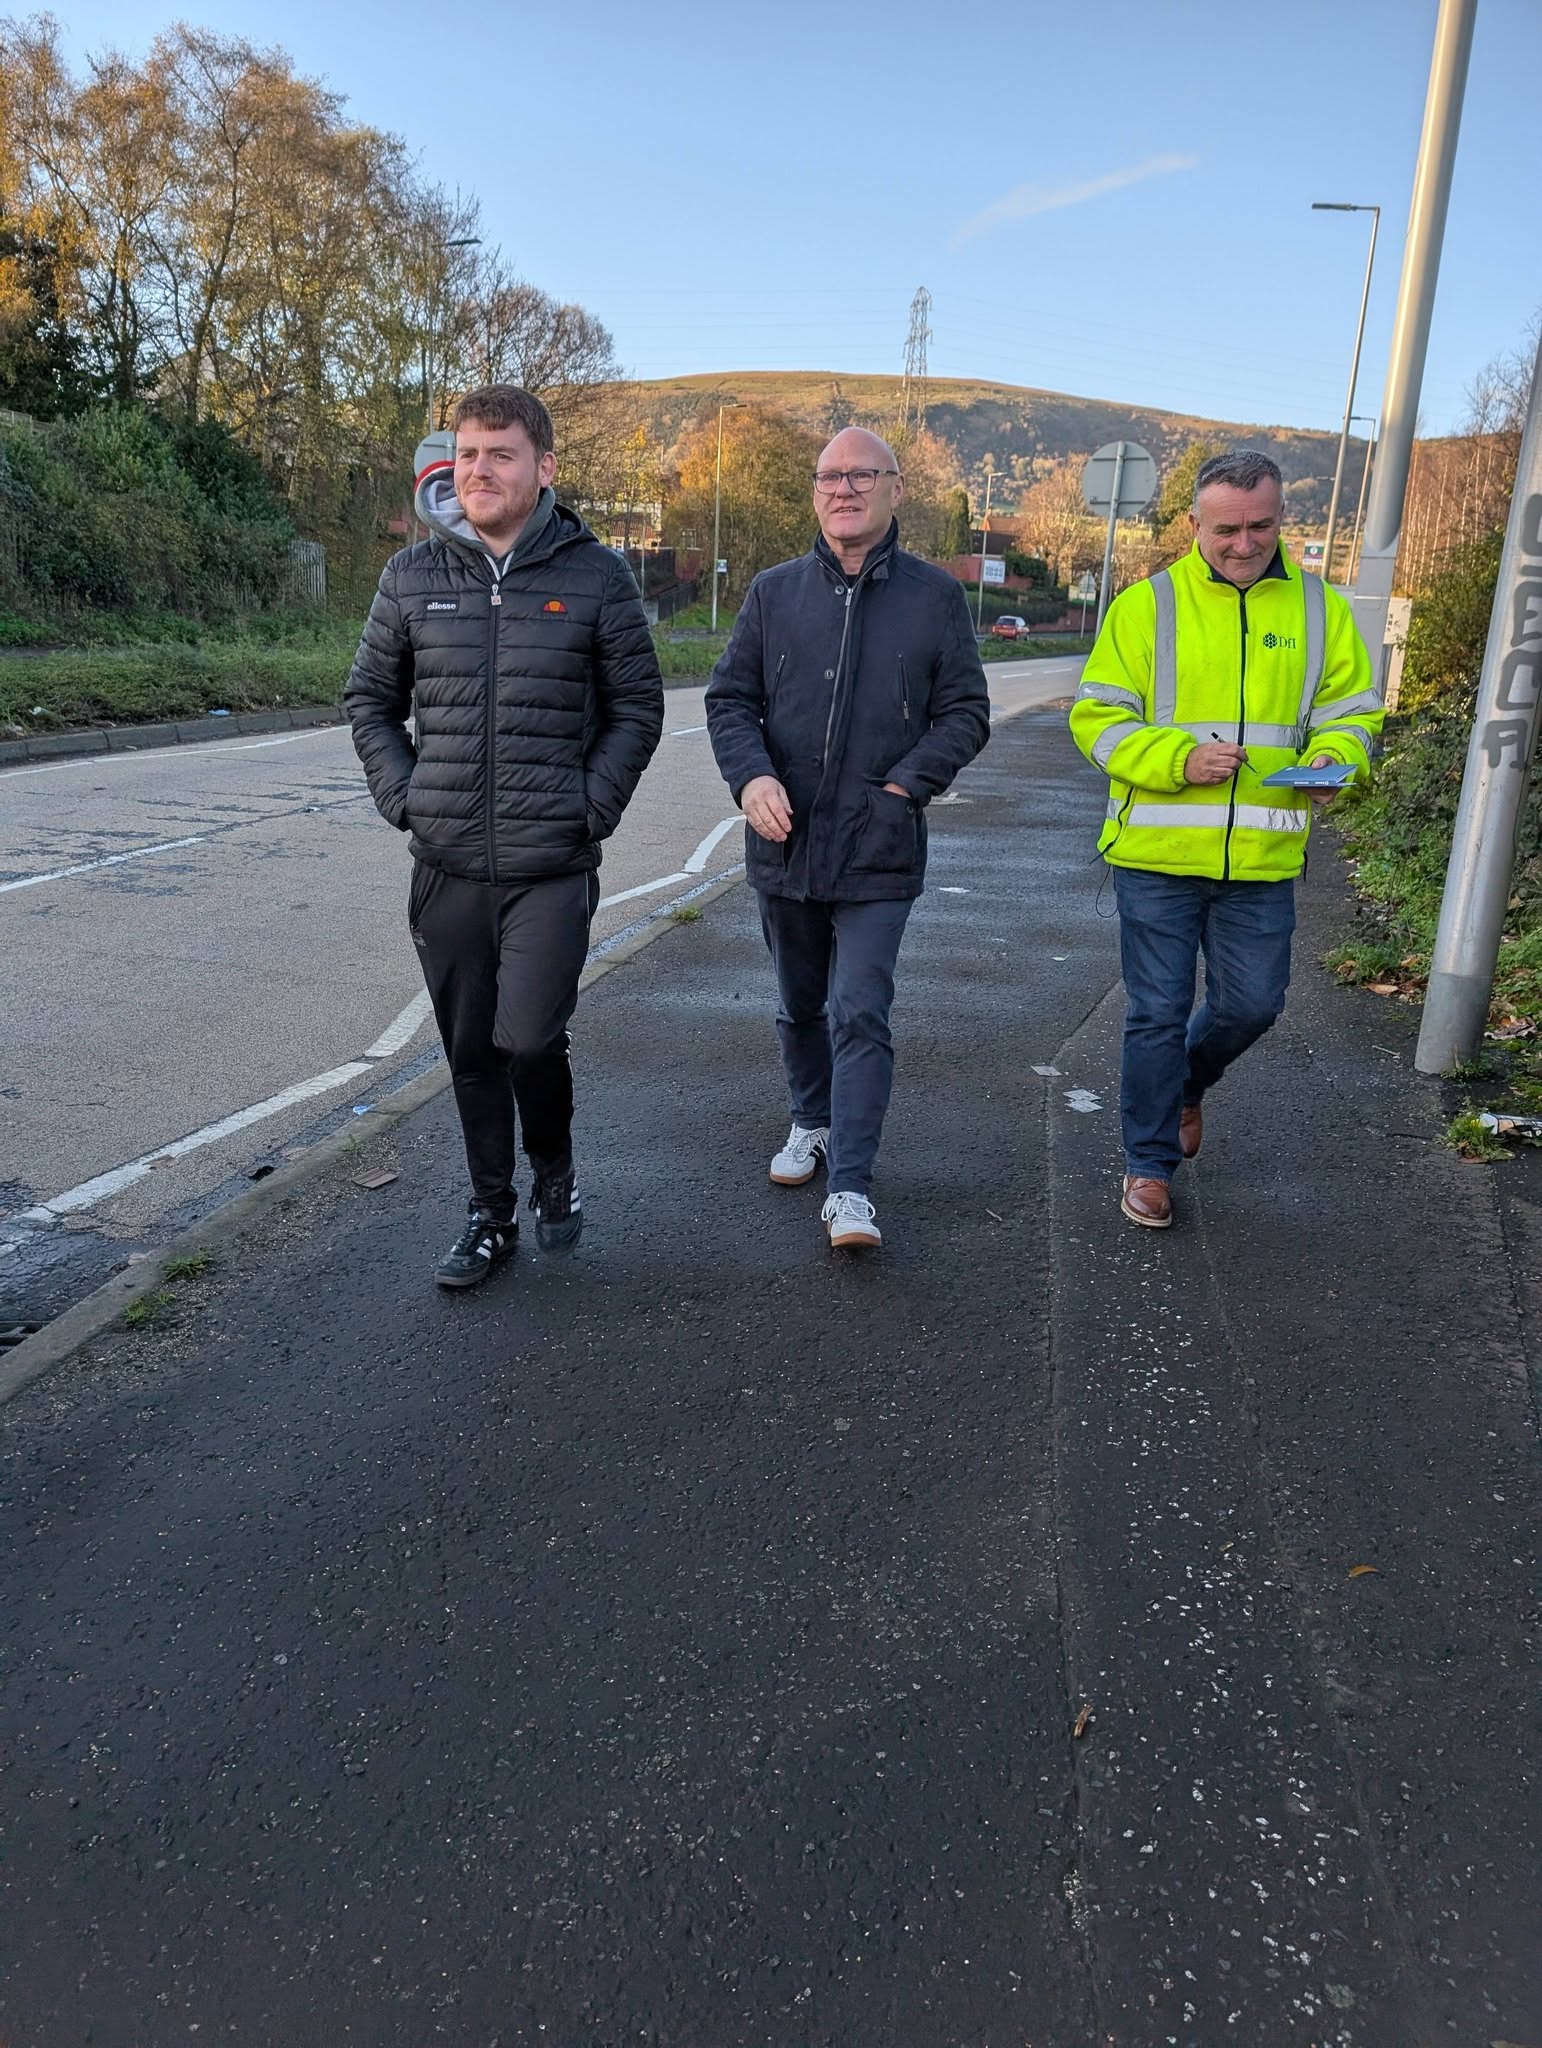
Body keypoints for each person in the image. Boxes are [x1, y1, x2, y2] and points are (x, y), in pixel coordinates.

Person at [346, 385, 663, 1288]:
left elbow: (638, 707)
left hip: (549, 866)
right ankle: (490, 1216)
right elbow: (368, 701)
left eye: (501, 454)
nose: (478, 470)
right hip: (445, 865)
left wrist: (588, 809)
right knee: (471, 1054)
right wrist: (406, 798)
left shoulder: (595, 575)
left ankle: (552, 1167)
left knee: (529, 1038)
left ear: (544, 469)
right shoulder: (412, 576)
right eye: (468, 454)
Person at [1069, 447, 1383, 1229]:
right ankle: (1148, 1164)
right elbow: (1098, 721)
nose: (1244, 544)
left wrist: (1336, 762)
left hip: (1264, 856)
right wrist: (1179, 758)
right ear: (1192, 524)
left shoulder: (1320, 608)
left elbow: (1354, 715)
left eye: (1262, 527)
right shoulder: (1146, 607)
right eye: (1226, 530)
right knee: (1156, 1011)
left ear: (1282, 517)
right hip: (1156, 854)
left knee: (1253, 1005)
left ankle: (1185, 1085)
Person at [705, 426, 991, 1250]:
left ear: (896, 489)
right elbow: (729, 701)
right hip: (785, 842)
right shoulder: (773, 591)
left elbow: (965, 712)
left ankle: (853, 1188)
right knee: (800, 1003)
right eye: (830, 475)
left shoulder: (935, 597)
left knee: (859, 1008)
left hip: (878, 846)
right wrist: (752, 777)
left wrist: (904, 788)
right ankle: (810, 1119)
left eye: (862, 474)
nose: (844, 488)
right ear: (816, 492)